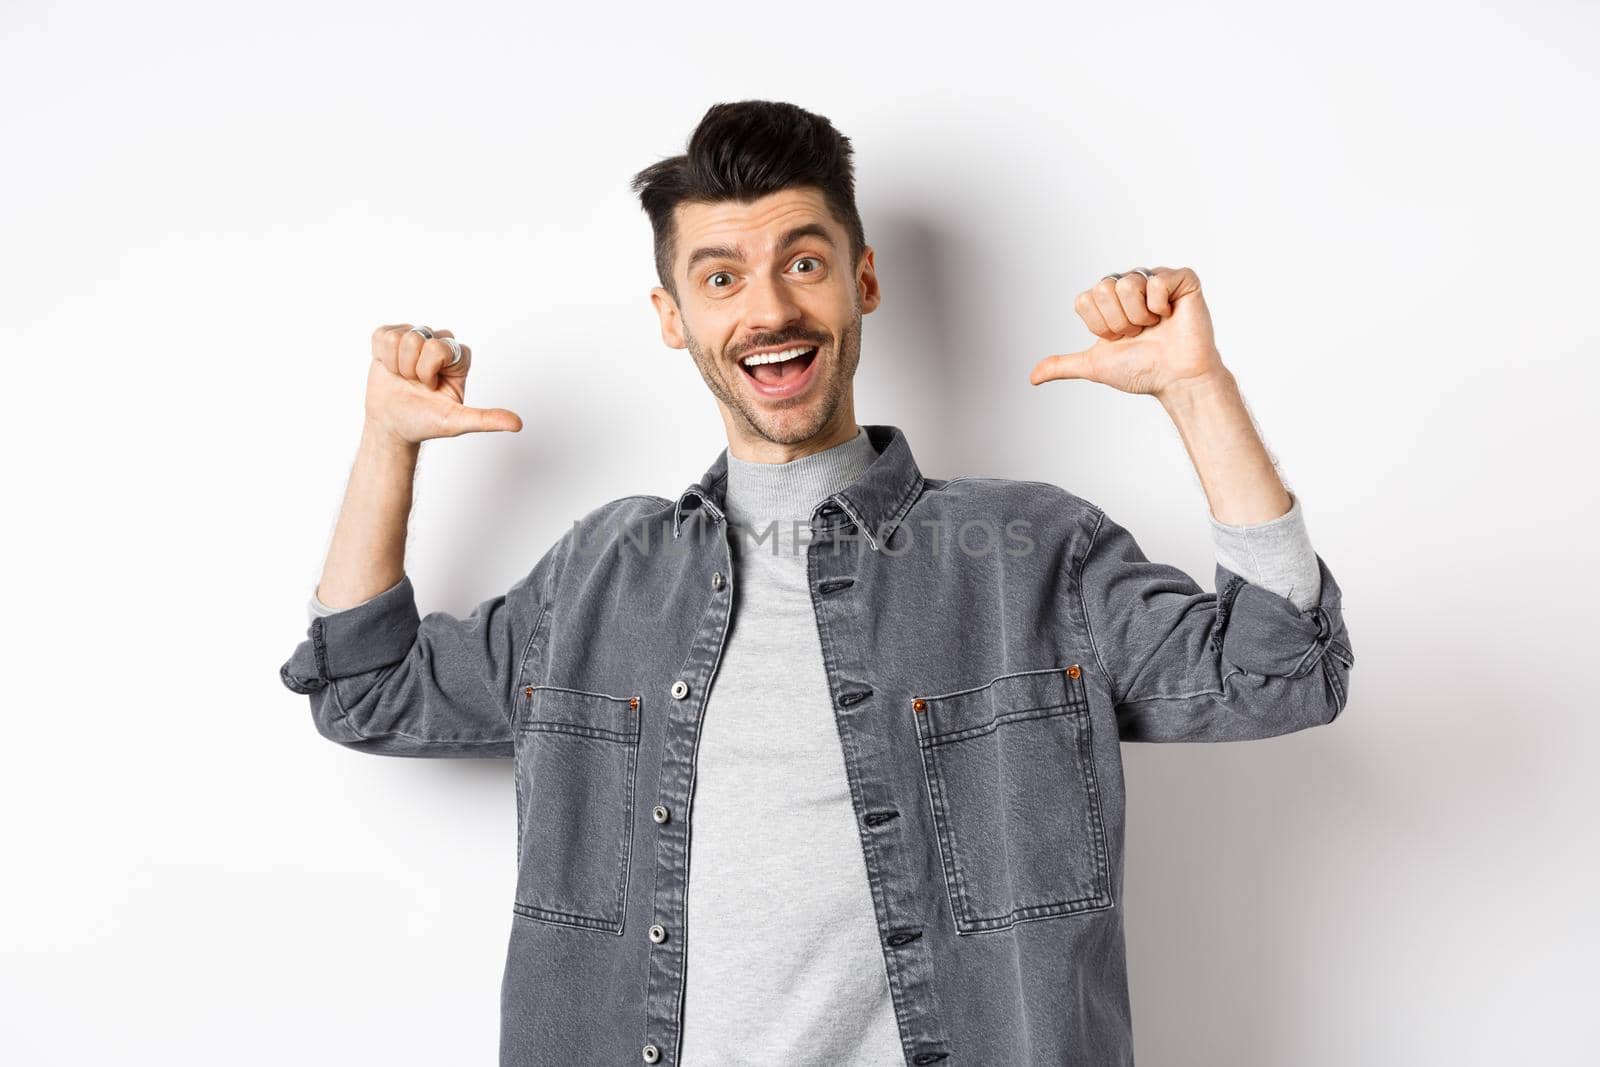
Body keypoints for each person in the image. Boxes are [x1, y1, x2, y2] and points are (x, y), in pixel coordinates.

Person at [279, 99, 1354, 1067]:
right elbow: (366, 690)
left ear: (862, 280)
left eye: (802, 262)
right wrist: (387, 443)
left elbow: (1281, 673)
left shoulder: (1031, 553)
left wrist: (1197, 392)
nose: (768, 310)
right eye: (720, 277)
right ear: (672, 317)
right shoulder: (601, 574)